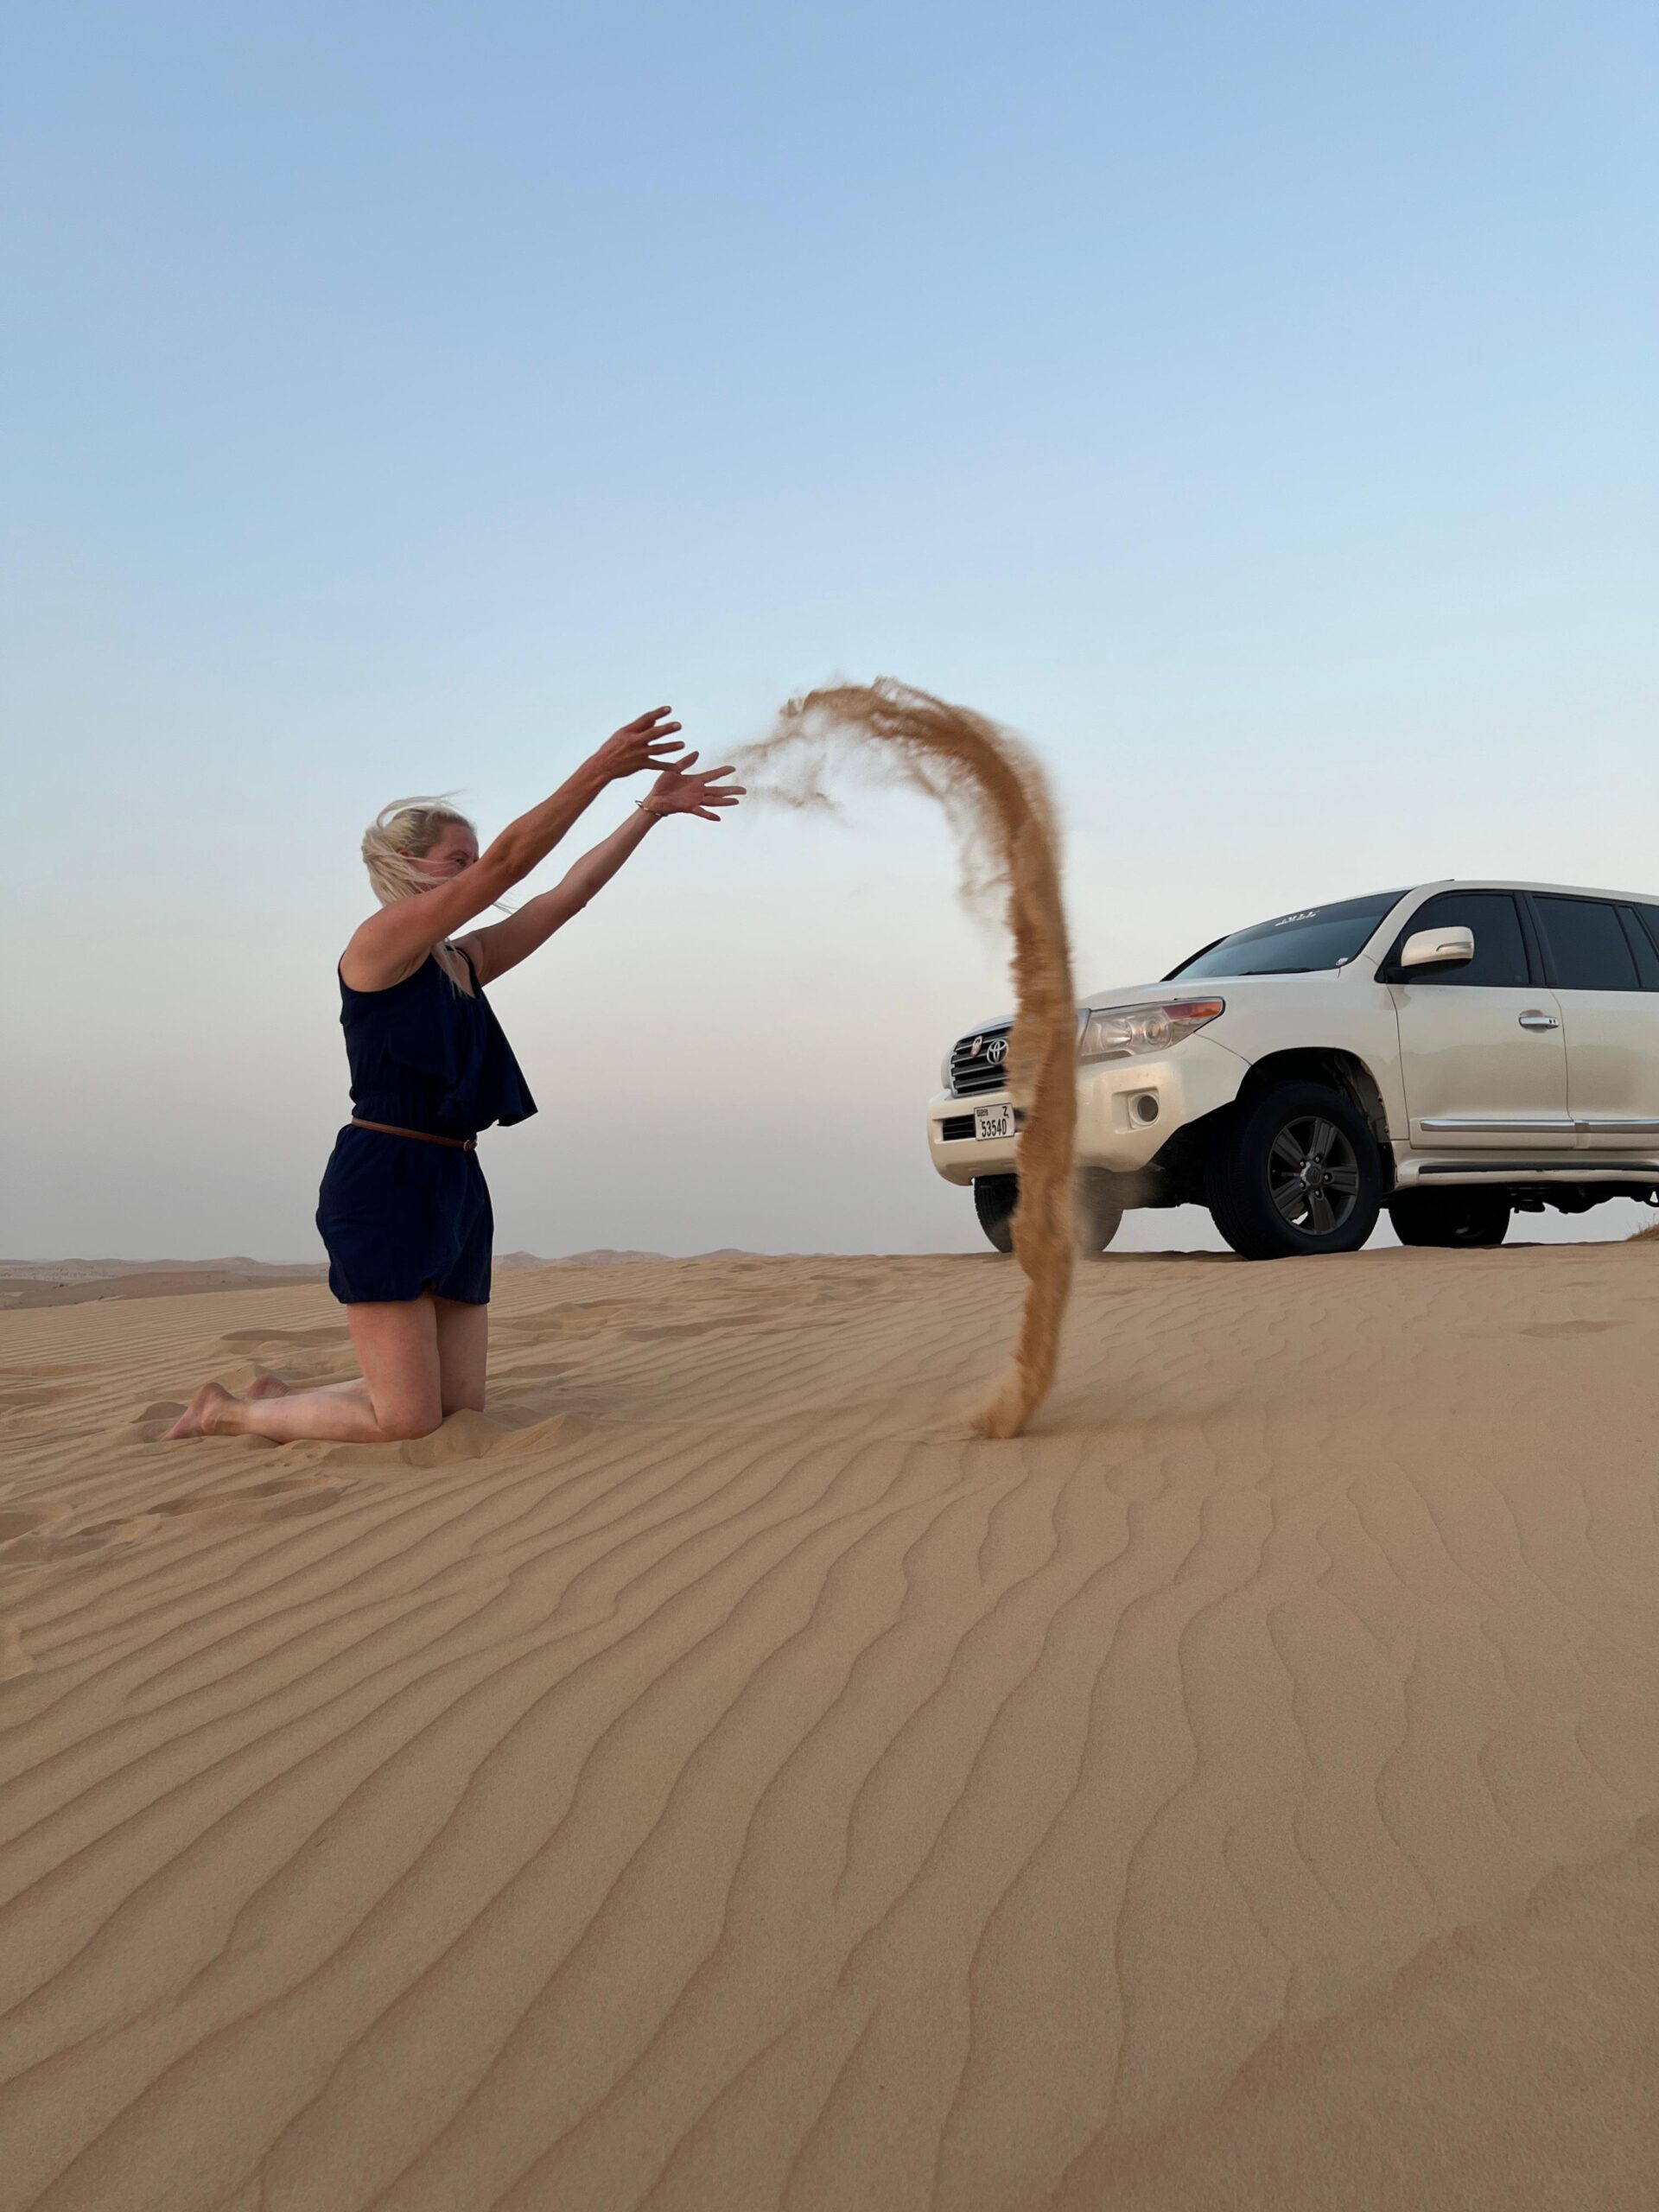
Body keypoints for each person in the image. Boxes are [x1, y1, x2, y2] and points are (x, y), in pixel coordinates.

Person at [166, 707, 742, 1443]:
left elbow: (563, 899)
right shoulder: (379, 946)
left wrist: (648, 812)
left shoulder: (462, 963)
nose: (475, 872)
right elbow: (511, 866)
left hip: (458, 1181)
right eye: (457, 861)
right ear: (408, 866)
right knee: (409, 1423)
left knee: (459, 1410)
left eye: (474, 858)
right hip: (385, 1177)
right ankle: (228, 1411)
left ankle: (283, 1397)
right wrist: (599, 769)